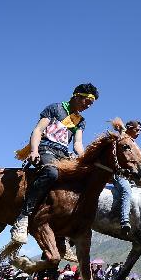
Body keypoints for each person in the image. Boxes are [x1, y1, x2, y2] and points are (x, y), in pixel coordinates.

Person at [10, 83, 99, 243]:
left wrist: (86, 159)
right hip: (46, 148)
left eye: (91, 104)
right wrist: (34, 150)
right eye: (87, 102)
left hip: (64, 153)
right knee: (51, 173)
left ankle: (64, 230)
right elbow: (38, 130)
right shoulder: (55, 108)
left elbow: (77, 144)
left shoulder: (80, 121)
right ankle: (23, 217)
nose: (88, 106)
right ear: (77, 96)